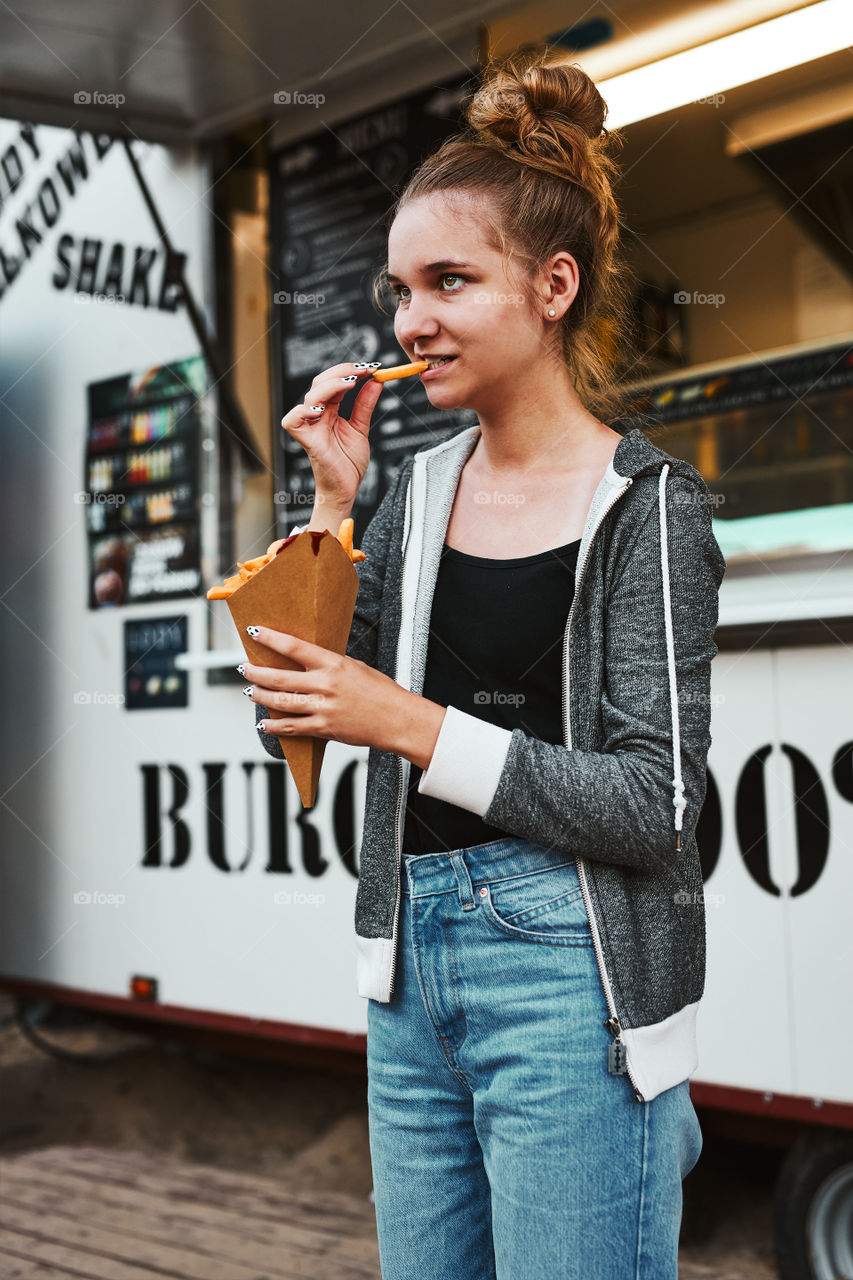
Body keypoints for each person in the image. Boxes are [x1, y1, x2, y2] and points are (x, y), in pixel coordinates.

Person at [242, 48, 726, 1280]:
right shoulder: (407, 493)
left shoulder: (650, 506)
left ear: (552, 285)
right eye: (400, 288)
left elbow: (657, 805)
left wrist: (405, 721)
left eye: (450, 280)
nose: (409, 320)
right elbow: (297, 716)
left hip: (577, 981)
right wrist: (333, 510)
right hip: (408, 975)